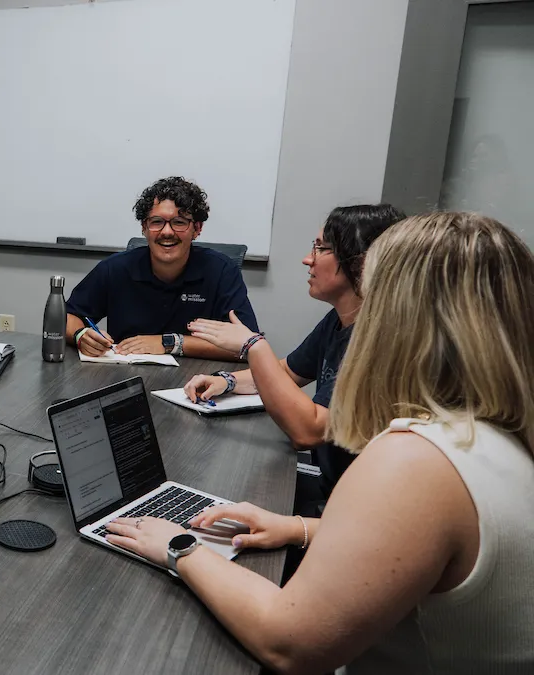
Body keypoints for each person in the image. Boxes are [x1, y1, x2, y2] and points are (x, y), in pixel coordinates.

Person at [106, 212, 534, 673]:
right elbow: (414, 542)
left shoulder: (416, 462)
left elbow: (289, 644)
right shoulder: (492, 434)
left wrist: (181, 546)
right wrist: (300, 528)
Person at [183, 204, 405, 505]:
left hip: (353, 507)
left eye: (320, 249)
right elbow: (287, 372)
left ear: (362, 262)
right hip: (335, 490)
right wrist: (227, 381)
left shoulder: (381, 339)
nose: (307, 259)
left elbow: (307, 431)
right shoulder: (341, 319)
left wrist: (252, 346)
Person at [66, 176, 258, 361]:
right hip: (126, 378)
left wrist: (171, 343)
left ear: (197, 229)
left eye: (179, 222)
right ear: (144, 228)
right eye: (157, 222)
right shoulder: (115, 268)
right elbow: (64, 317)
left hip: (198, 381)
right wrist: (80, 334)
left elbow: (248, 343)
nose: (167, 232)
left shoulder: (222, 271)